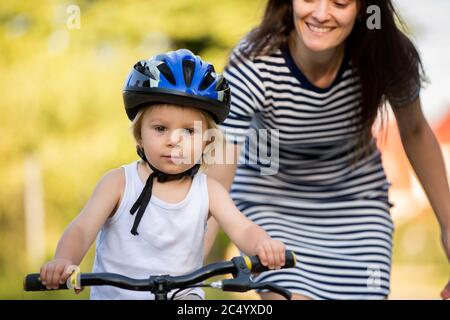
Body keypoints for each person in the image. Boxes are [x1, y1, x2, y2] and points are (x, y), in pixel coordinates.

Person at [204, 0, 450, 300]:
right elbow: (220, 165)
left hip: (357, 209)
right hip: (270, 204)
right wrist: (188, 260)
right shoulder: (254, 61)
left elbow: (415, 132)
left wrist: (448, 226)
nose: (321, 14)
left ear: (362, 8)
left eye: (340, 3)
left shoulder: (387, 56)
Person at [39, 49, 286, 300]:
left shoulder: (208, 191)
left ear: (206, 142)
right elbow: (82, 228)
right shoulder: (119, 183)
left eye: (189, 131)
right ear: (139, 135)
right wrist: (64, 260)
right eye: (160, 128)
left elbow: (242, 229)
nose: (173, 141)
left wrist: (263, 245)